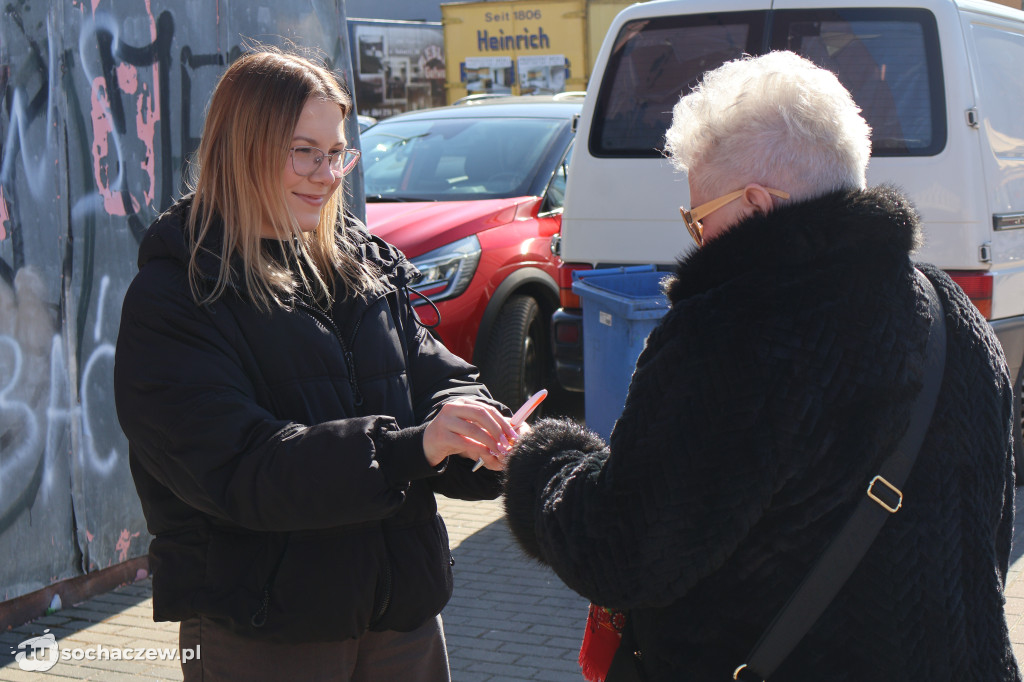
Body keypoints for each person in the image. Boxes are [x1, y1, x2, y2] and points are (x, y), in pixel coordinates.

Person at [502, 51, 1021, 681]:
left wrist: (541, 464)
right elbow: (990, 537)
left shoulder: (734, 330)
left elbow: (627, 553)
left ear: (756, 204)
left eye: (697, 217)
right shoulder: (952, 309)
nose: (694, 237)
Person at [113, 48, 519, 682]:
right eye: (304, 151)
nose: (327, 175)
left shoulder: (359, 261)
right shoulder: (178, 294)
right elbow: (241, 468)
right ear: (241, 148)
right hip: (265, 628)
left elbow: (431, 372)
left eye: (336, 154)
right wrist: (410, 449)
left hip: (399, 616)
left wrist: (475, 429)